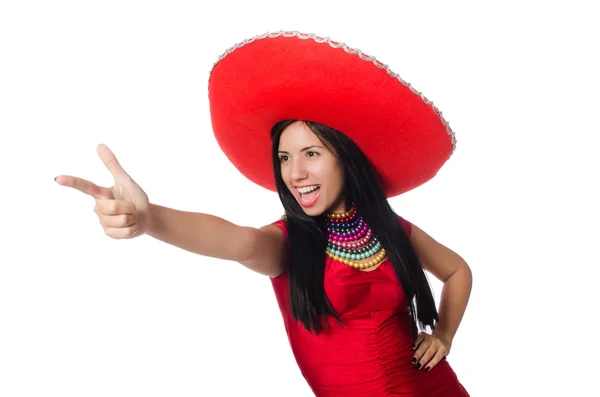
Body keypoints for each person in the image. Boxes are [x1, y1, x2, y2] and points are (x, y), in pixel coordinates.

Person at [56, 31, 472, 396]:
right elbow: (236, 240)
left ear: (345, 159)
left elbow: (457, 271)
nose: (295, 172)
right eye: (285, 157)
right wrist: (150, 221)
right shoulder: (286, 244)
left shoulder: (391, 230)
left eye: (311, 154)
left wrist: (444, 334)